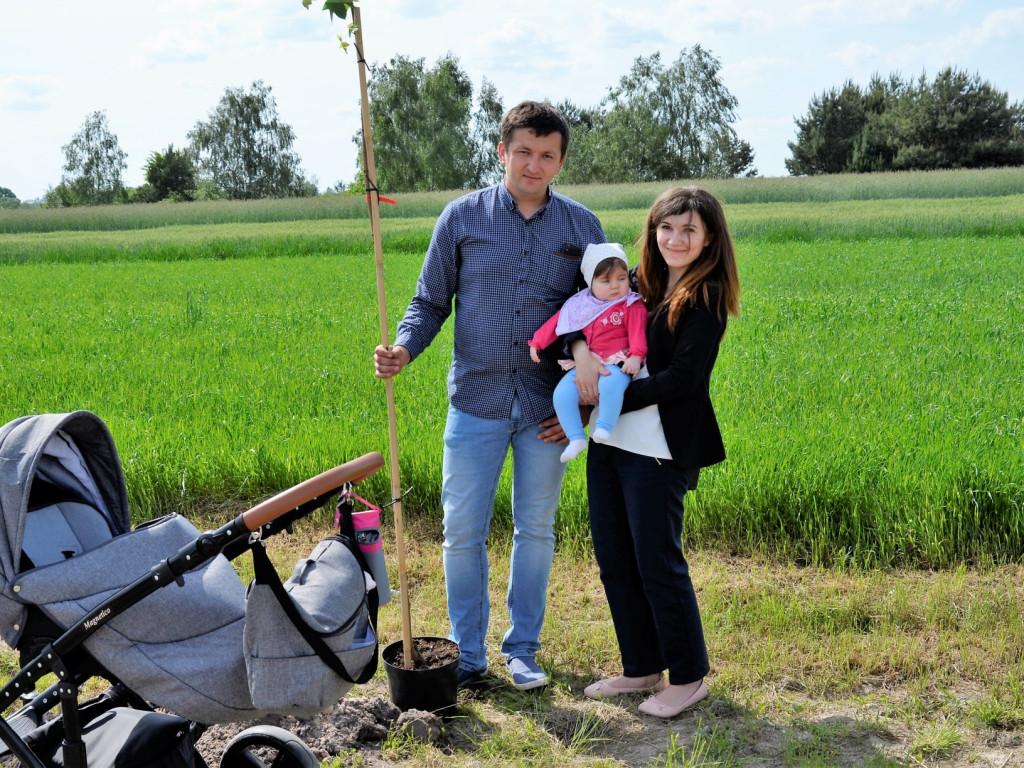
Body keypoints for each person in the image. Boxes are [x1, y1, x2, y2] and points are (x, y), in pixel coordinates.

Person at [373, 100, 606, 691]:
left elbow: (605, 320)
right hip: (473, 401)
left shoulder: (582, 229)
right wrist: (404, 348)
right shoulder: (461, 218)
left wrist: (585, 405)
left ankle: (523, 649)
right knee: (462, 532)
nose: (534, 164)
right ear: (501, 151)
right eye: (523, 151)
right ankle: (469, 654)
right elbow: (429, 302)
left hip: (546, 409)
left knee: (536, 528)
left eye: (547, 155)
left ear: (559, 162)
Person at [574, 186, 740, 718]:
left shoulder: (707, 294)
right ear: (653, 230)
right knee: (615, 559)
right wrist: (581, 359)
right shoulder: (635, 282)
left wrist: (608, 398)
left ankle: (689, 677)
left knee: (657, 562)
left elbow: (683, 379)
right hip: (609, 443)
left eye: (689, 229)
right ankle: (641, 667)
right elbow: (578, 318)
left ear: (709, 237)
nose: (675, 238)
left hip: (659, 450)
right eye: (667, 227)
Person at [527, 242, 647, 463]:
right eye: (606, 281)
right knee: (562, 395)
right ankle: (576, 438)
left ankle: (604, 426)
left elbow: (638, 333)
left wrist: (636, 355)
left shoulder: (630, 304)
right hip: (586, 362)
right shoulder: (580, 304)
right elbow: (557, 323)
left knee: (611, 386)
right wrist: (537, 342)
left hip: (616, 362)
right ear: (590, 282)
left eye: (621, 279)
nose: (615, 286)